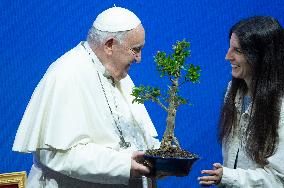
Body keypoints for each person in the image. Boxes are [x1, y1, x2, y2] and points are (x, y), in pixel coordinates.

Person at [12, 7, 160, 188]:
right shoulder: (66, 74)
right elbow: (57, 154)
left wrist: (159, 159)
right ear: (109, 45)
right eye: (135, 50)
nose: (139, 59)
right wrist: (123, 165)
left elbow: (138, 134)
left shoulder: (119, 75)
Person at [198, 16, 284, 187]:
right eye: (230, 48)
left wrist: (228, 177)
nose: (227, 57)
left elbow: (278, 179)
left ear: (261, 56)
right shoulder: (233, 91)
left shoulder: (281, 106)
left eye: (237, 50)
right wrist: (225, 176)